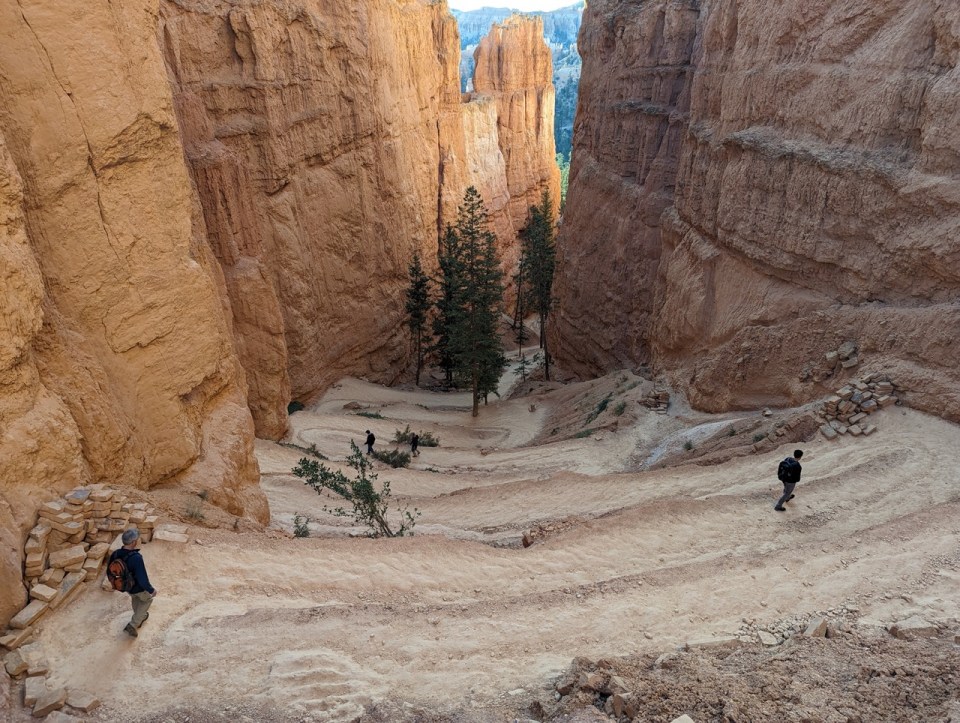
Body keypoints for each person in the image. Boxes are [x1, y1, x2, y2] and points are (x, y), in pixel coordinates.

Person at [109, 528, 156, 637]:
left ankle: (140, 616)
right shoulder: (136, 558)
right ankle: (133, 624)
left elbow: (110, 570)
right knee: (147, 600)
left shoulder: (116, 554)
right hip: (137, 587)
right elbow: (142, 578)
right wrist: (151, 589)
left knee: (135, 598)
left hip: (125, 586)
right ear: (133, 542)